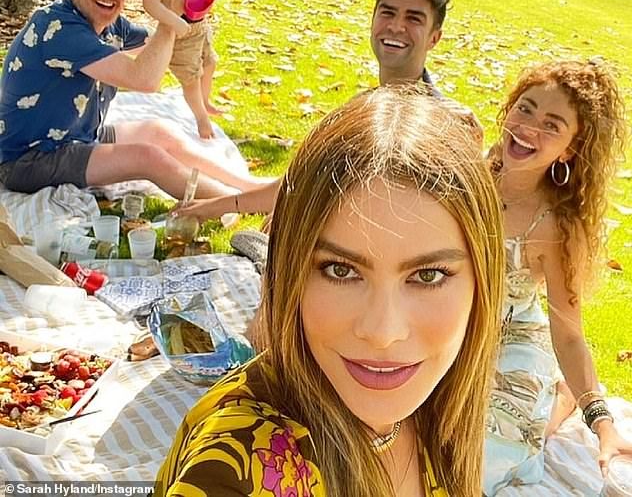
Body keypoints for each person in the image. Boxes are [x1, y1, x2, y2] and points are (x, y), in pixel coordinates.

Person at [155, 85, 505, 497]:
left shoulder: (439, 404)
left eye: (427, 275)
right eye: (341, 270)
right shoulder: (239, 463)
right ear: (289, 272)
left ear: (483, 282)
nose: (382, 331)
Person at [173, 0, 456, 221]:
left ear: (434, 38)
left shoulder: (435, 128)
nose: (396, 26)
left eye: (414, 19)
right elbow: (304, 179)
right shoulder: (363, 107)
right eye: (388, 12)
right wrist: (213, 207)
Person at [0, 0, 263, 199]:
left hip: (77, 134)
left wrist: (192, 15)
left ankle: (249, 186)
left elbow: (156, 49)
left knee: (158, 132)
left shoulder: (112, 26)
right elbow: (146, 79)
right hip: (29, 158)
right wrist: (169, 19)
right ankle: (235, 202)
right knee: (146, 157)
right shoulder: (57, 28)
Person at [484, 60, 632, 493]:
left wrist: (602, 422)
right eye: (526, 109)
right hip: (449, 324)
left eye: (552, 125)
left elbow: (568, 335)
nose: (529, 128)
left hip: (510, 338)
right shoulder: (472, 172)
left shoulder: (555, 226)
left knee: (479, 458)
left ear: (569, 150)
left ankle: (560, 396)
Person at [143, 0, 237, 139]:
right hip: (179, 34)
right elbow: (150, 3)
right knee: (191, 78)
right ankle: (201, 119)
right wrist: (175, 22)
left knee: (211, 62)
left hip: (199, 26)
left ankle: (205, 102)